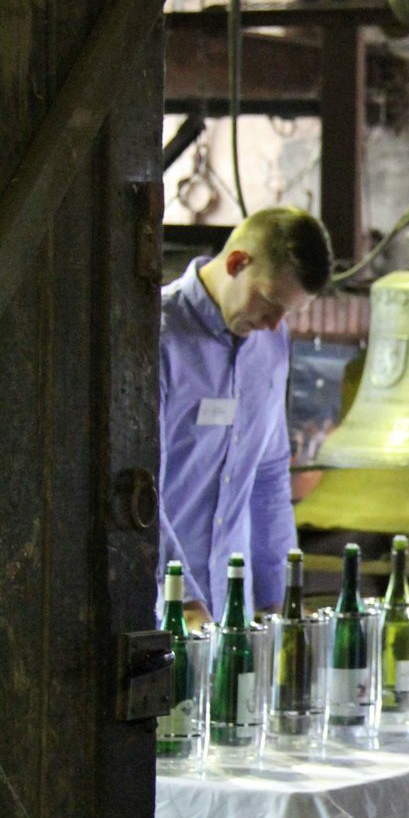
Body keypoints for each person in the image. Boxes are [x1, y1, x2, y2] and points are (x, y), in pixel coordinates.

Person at [159, 205, 333, 622]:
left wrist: (279, 601)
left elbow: (269, 475)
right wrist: (182, 600)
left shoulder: (271, 343)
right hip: (160, 610)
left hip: (231, 608)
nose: (274, 325)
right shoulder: (156, 335)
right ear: (237, 262)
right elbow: (136, 493)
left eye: (287, 314)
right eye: (270, 303)